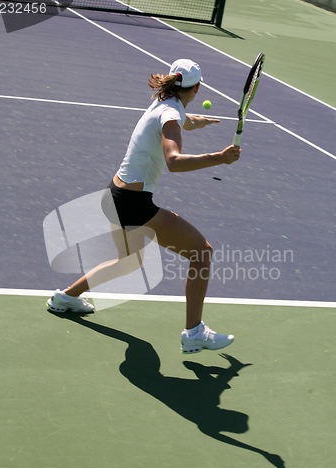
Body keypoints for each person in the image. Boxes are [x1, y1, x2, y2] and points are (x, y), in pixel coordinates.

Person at [47, 59, 241, 354]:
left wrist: (201, 121)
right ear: (197, 88)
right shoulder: (171, 113)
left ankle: (65, 297)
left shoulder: (163, 102)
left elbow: (184, 120)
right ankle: (194, 333)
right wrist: (219, 158)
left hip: (115, 194)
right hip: (135, 205)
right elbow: (173, 162)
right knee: (202, 253)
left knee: (128, 261)